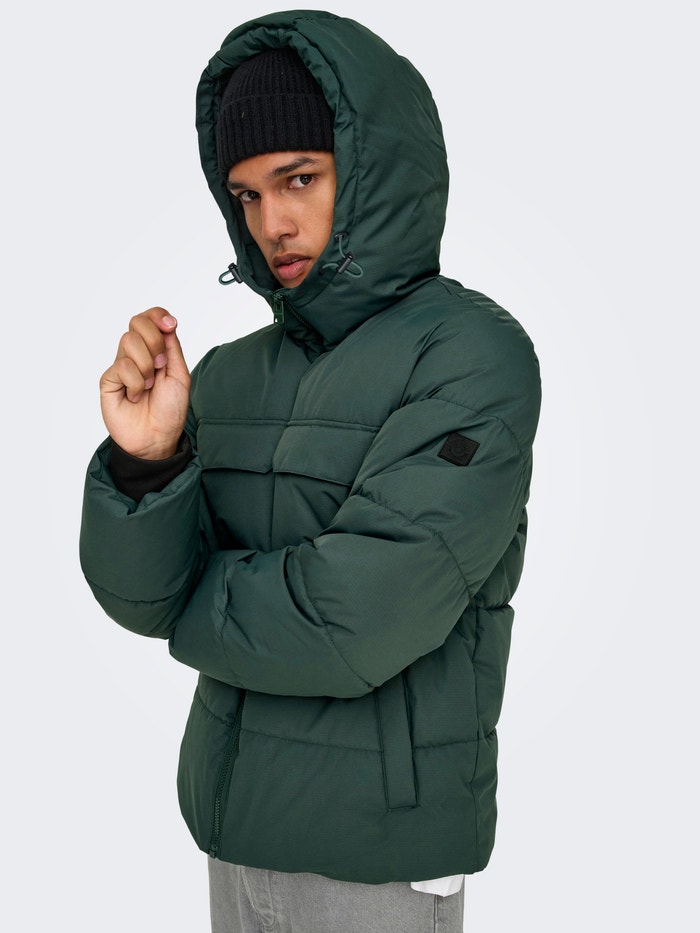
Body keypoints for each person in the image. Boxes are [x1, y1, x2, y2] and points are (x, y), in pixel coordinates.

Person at [80, 10, 541, 933]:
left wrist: (192, 601)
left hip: (376, 861)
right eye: (247, 194)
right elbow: (139, 597)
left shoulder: (471, 354)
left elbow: (354, 620)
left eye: (299, 179)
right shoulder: (225, 374)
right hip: (232, 832)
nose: (272, 223)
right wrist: (146, 458)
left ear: (371, 172)